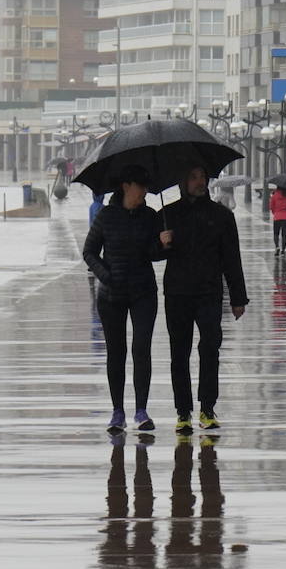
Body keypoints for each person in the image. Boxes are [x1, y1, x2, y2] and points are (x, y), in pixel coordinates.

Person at [159, 165, 249, 433]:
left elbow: (232, 258)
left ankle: (207, 408)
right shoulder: (168, 214)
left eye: (203, 177)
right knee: (179, 354)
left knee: (210, 349)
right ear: (183, 180)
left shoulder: (221, 216)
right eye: (193, 176)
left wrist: (238, 297)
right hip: (177, 294)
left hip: (209, 293)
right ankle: (183, 412)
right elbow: (151, 253)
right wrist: (161, 243)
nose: (200, 182)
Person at [82, 165, 165, 432]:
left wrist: (164, 244)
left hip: (143, 292)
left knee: (141, 348)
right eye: (140, 186)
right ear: (126, 186)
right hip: (111, 296)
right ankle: (117, 411)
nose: (145, 192)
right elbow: (89, 252)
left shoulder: (151, 216)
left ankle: (141, 410)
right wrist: (106, 276)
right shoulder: (106, 216)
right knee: (116, 352)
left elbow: (154, 254)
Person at [269, 185, 286, 253]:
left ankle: (277, 247)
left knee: (276, 234)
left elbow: (271, 206)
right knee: (284, 235)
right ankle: (283, 249)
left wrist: (275, 213)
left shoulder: (274, 195)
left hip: (277, 216)